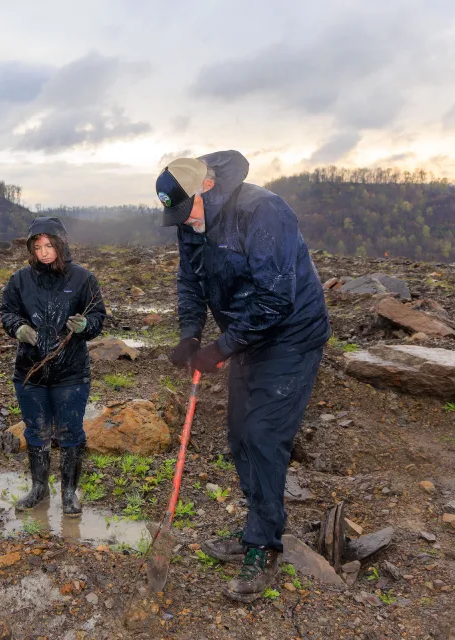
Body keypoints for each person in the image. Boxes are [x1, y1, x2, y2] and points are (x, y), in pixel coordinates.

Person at [155, 151, 331, 602]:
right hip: (246, 335)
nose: (183, 221)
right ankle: (260, 524)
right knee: (238, 435)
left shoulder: (262, 211)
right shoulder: (192, 223)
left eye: (185, 210)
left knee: (262, 434)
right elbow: (190, 282)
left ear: (207, 187)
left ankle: (264, 547)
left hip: (290, 334)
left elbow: (275, 299)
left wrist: (221, 349)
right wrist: (191, 336)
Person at [0, 217, 106, 515]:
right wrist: (18, 327)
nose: (44, 252)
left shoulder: (83, 279)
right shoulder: (19, 280)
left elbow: (98, 316)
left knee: (71, 432)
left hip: (71, 373)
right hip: (30, 372)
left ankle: (69, 491)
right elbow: (7, 311)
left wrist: (86, 325)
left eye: (49, 245)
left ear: (61, 244)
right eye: (37, 246)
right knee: (36, 431)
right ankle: (39, 487)